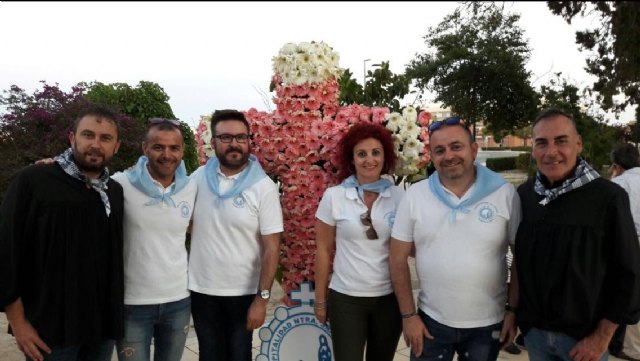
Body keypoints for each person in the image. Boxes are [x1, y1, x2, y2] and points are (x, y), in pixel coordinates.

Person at [389, 116, 521, 361]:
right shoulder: (415, 196)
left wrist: (512, 311)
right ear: (432, 156)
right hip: (430, 322)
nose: (448, 155)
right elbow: (397, 259)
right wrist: (408, 316)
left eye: (456, 146)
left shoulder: (504, 194)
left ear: (473, 149)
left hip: (488, 324)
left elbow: (520, 259)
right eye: (439, 150)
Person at [0, 106, 125, 361]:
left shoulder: (113, 192)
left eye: (105, 138)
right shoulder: (35, 181)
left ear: (116, 146)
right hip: (50, 331)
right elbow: (6, 249)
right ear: (72, 138)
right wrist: (18, 323)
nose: (95, 144)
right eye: (88, 135)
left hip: (100, 327)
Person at [515, 108, 640, 361]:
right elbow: (518, 260)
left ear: (578, 144)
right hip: (536, 336)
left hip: (585, 341)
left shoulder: (608, 197)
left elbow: (629, 272)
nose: (551, 152)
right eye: (542, 143)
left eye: (561, 141)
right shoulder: (526, 195)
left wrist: (602, 337)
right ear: (533, 149)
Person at [188, 109, 283, 361]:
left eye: (241, 138)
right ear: (213, 142)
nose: (235, 144)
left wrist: (262, 300)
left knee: (239, 357)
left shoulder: (263, 187)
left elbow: (272, 247)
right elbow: (179, 219)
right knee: (208, 356)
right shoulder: (197, 179)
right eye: (226, 137)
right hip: (202, 291)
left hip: (243, 295)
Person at [314, 122, 404, 361]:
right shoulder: (334, 197)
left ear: (385, 157)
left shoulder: (399, 197)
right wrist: (321, 301)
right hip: (346, 299)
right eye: (361, 154)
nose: (369, 160)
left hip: (389, 298)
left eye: (376, 152)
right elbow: (323, 251)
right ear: (351, 159)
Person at [111, 118, 197, 361]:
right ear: (144, 148)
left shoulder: (191, 187)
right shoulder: (121, 184)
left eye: (174, 148)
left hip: (178, 301)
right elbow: (83, 182)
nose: (166, 154)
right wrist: (56, 164)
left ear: (182, 150)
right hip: (132, 304)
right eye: (158, 147)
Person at [609, 143, 640, 361]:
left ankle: (629, 347)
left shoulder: (619, 183)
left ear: (617, 165)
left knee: (627, 292)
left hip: (628, 241)